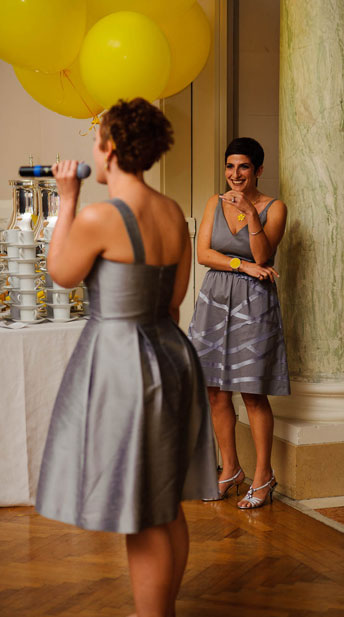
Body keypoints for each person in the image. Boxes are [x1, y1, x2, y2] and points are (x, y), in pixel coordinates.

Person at [36, 98, 218, 617]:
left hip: (122, 362)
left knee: (141, 509)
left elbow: (62, 274)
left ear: (110, 147)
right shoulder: (171, 212)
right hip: (170, 353)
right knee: (164, 504)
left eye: (97, 139)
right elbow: (176, 298)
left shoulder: (99, 215)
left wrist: (66, 200)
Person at [189, 137, 288, 509]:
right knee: (214, 390)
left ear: (258, 170)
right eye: (230, 166)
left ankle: (264, 475)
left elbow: (264, 253)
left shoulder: (274, 208)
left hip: (254, 303)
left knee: (252, 391)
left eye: (243, 167)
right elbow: (203, 254)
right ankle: (230, 468)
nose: (235, 174)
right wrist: (242, 265)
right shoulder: (214, 202)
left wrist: (250, 212)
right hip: (214, 299)